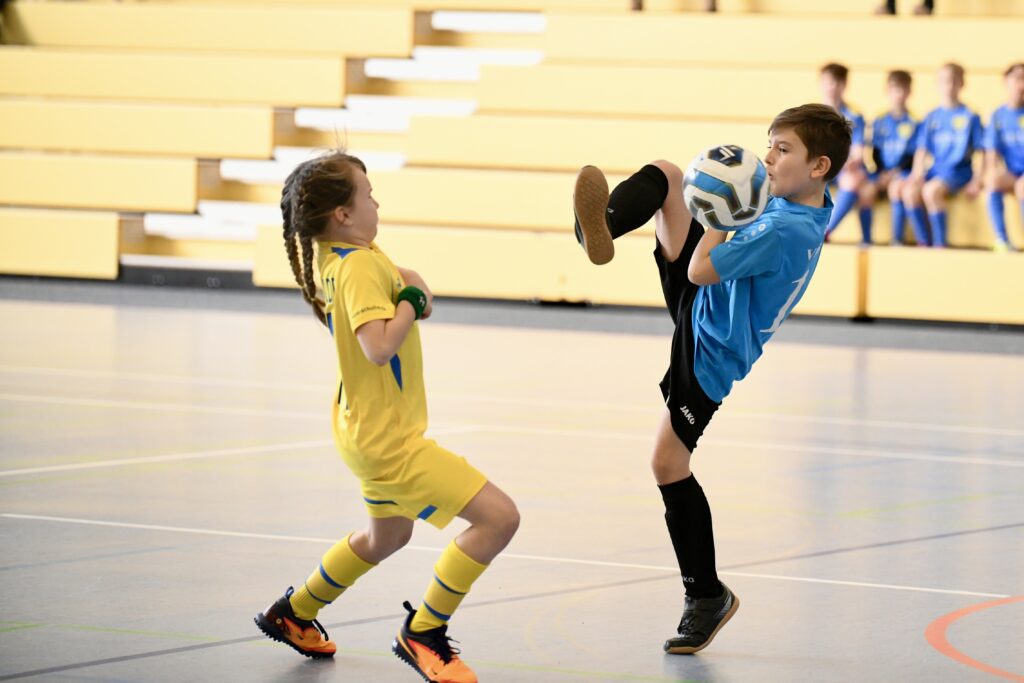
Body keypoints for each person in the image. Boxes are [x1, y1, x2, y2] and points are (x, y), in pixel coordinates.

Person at [571, 104, 851, 655]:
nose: (768, 157)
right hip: (708, 301)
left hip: (711, 347)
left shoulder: (789, 229)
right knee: (667, 176)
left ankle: (706, 596)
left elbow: (701, 267)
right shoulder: (805, 207)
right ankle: (600, 225)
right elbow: (734, 238)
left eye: (783, 150)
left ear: (819, 166)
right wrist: (731, 197)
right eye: (769, 145)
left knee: (667, 463)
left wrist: (718, 214)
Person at [254, 150, 520, 683]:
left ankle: (294, 611)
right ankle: (423, 632)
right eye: (367, 193)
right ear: (342, 215)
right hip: (392, 443)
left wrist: (410, 291)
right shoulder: (356, 270)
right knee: (499, 518)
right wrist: (409, 302)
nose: (377, 200)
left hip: (362, 431)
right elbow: (377, 347)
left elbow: (408, 281)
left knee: (386, 538)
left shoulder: (345, 256)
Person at [902, 63, 984, 248]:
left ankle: (940, 244)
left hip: (959, 171)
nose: (949, 86)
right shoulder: (932, 116)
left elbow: (981, 151)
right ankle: (924, 241)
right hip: (936, 170)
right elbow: (922, 149)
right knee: (909, 192)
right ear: (938, 84)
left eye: (954, 81)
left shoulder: (970, 115)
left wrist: (977, 180)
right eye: (944, 81)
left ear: (962, 84)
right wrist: (916, 174)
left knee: (931, 191)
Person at [820, 63, 871, 244]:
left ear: (844, 85)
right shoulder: (812, 116)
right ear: (821, 83)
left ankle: (825, 231)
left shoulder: (854, 116)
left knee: (854, 180)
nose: (832, 87)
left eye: (837, 82)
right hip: (820, 167)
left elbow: (857, 154)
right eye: (828, 82)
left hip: (842, 167)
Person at [867, 70, 919, 245]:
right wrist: (882, 172)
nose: (899, 95)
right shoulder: (880, 121)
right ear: (887, 91)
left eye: (903, 90)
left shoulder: (914, 122)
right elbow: (875, 152)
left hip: (903, 173)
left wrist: (895, 173)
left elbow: (912, 156)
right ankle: (866, 239)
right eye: (895, 89)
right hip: (882, 172)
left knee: (896, 188)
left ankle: (897, 239)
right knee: (864, 190)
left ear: (910, 92)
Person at [984, 62, 1024, 252]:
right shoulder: (998, 116)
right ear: (1007, 82)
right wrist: (992, 171)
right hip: (1012, 172)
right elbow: (991, 153)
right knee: (992, 179)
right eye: (1018, 79)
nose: (1021, 85)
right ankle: (1002, 240)